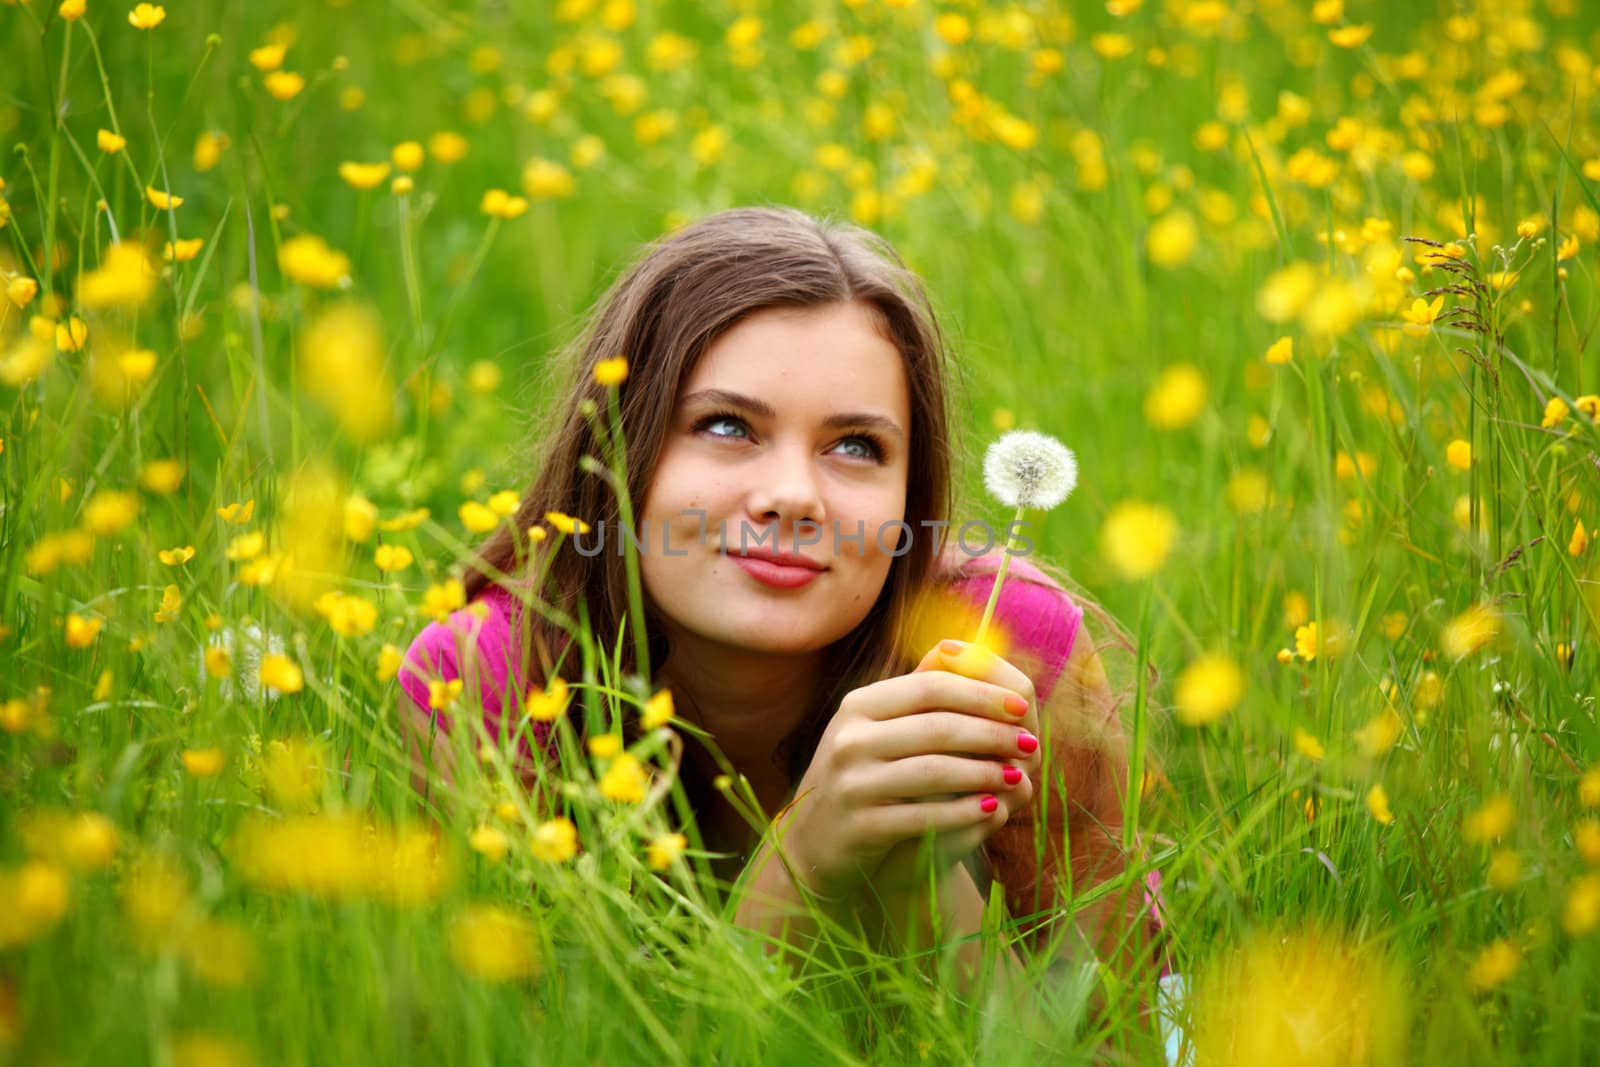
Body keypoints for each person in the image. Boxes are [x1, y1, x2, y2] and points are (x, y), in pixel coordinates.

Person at [397, 206, 1169, 1004]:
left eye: (854, 446)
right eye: (727, 425)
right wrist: (805, 855)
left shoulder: (1011, 648)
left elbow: (1152, 1036)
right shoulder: (484, 681)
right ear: (618, 452)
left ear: (911, 496)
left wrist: (920, 872)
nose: (793, 496)